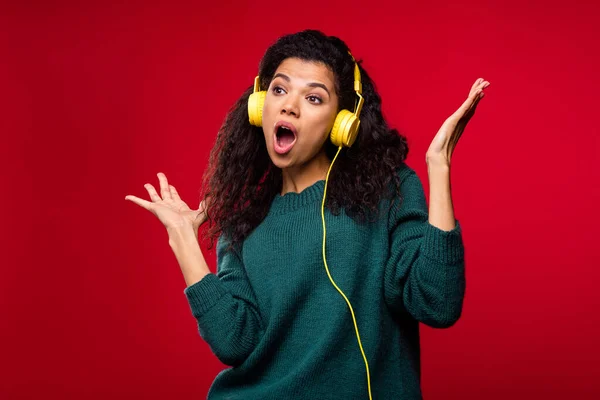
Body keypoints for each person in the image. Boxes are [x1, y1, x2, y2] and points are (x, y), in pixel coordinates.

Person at [125, 29, 489, 399]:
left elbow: (437, 303)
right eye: (279, 90)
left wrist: (439, 165)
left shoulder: (387, 192)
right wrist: (185, 240)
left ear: (340, 124)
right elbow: (235, 342)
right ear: (259, 105)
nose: (289, 107)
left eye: (314, 97)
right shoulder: (243, 222)